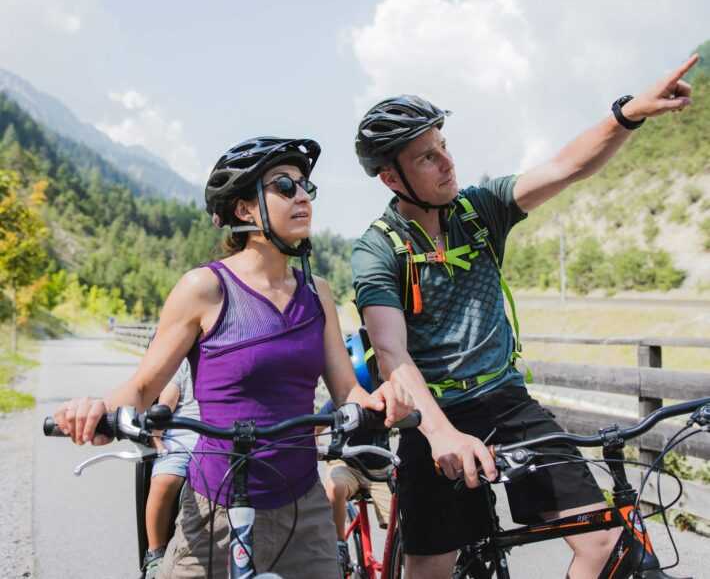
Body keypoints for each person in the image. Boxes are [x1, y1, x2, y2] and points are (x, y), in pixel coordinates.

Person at [351, 55, 698, 579]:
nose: (447, 162)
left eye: (444, 146)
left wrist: (628, 114)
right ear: (390, 177)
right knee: (430, 569)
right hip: (434, 414)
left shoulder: (480, 210)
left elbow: (565, 167)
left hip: (508, 403)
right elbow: (391, 351)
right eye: (427, 157)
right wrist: (441, 435)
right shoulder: (378, 248)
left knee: (605, 543)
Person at [54, 136, 413, 579]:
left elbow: (346, 389)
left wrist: (379, 401)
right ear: (244, 210)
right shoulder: (203, 288)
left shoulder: (316, 292)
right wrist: (98, 410)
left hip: (304, 509)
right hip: (214, 510)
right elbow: (144, 387)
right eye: (285, 186)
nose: (302, 196)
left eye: (306, 187)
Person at [319, 331, 393, 571]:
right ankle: (339, 544)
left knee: (400, 524)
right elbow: (314, 426)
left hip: (380, 472)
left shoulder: (386, 399)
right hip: (347, 466)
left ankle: (397, 560)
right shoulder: (338, 401)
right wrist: (314, 447)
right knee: (334, 488)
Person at [142, 358, 200, 579]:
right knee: (164, 480)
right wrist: (157, 433)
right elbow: (167, 401)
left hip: (223, 435)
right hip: (184, 433)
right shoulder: (185, 362)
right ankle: (155, 552)